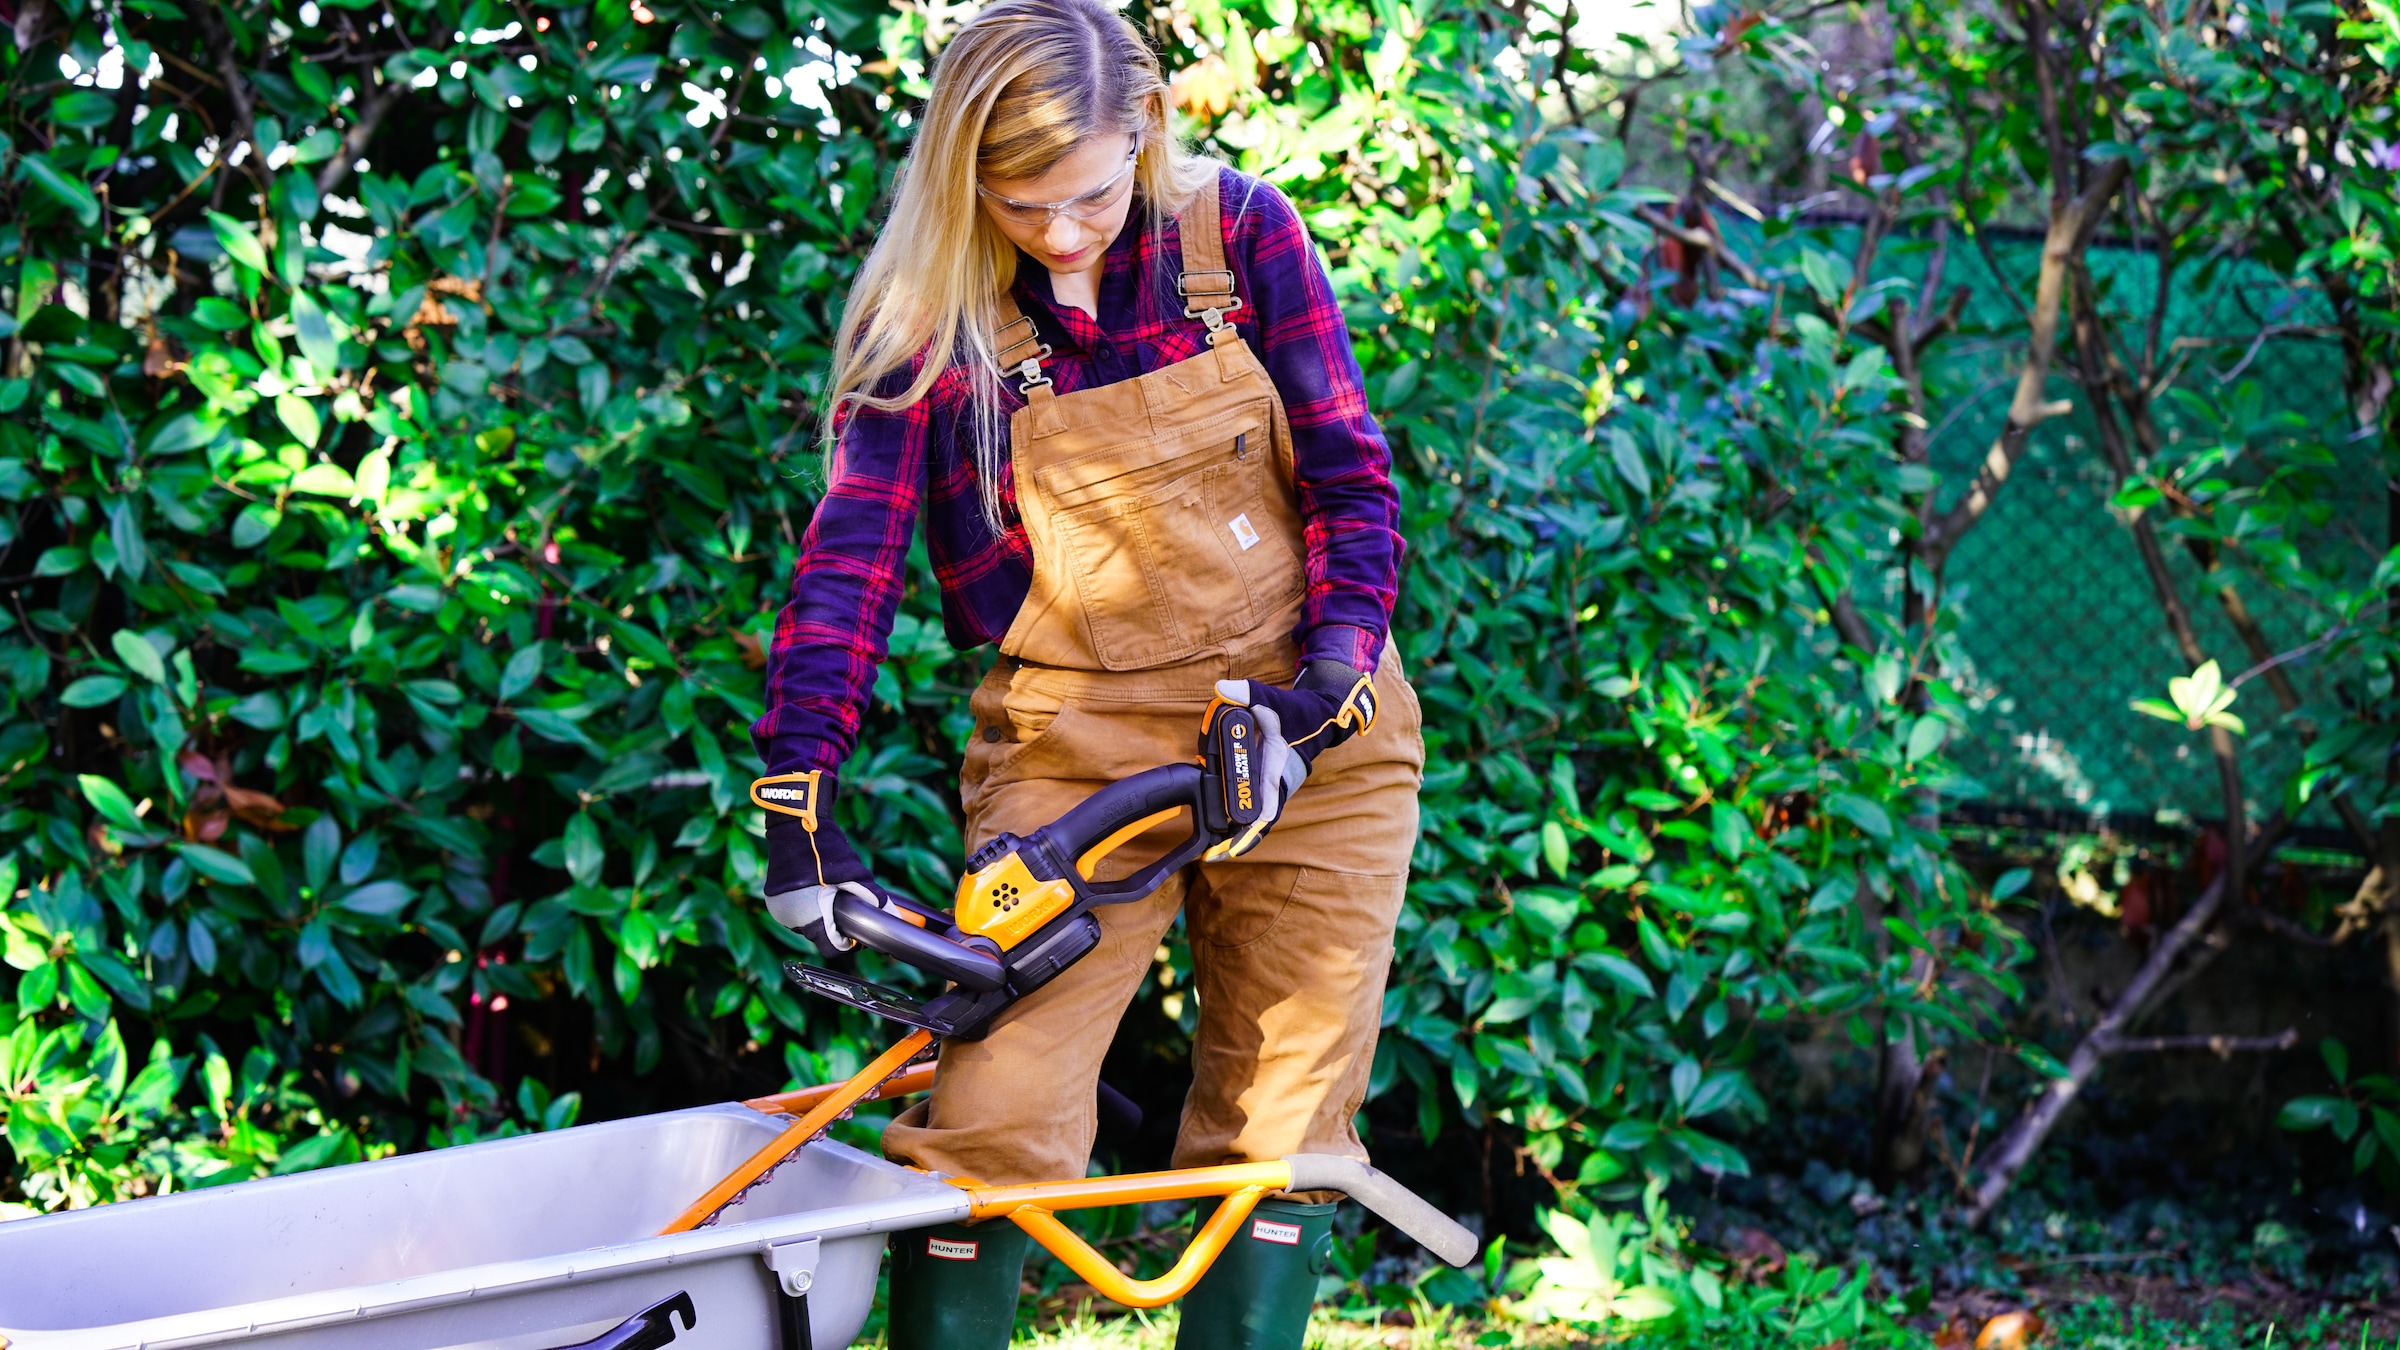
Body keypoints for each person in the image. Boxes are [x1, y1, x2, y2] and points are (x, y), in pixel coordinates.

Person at [748, 0, 1421, 1344]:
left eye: (1093, 197)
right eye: (1021, 205)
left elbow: (1352, 486)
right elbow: (853, 558)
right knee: (993, 1116)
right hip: (1076, 744)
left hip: (1307, 722)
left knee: (1283, 1123)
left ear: (1148, 131)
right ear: (964, 180)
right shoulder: (929, 312)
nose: (1062, 234)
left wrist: (1318, 700)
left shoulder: (1240, 238)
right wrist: (797, 797)